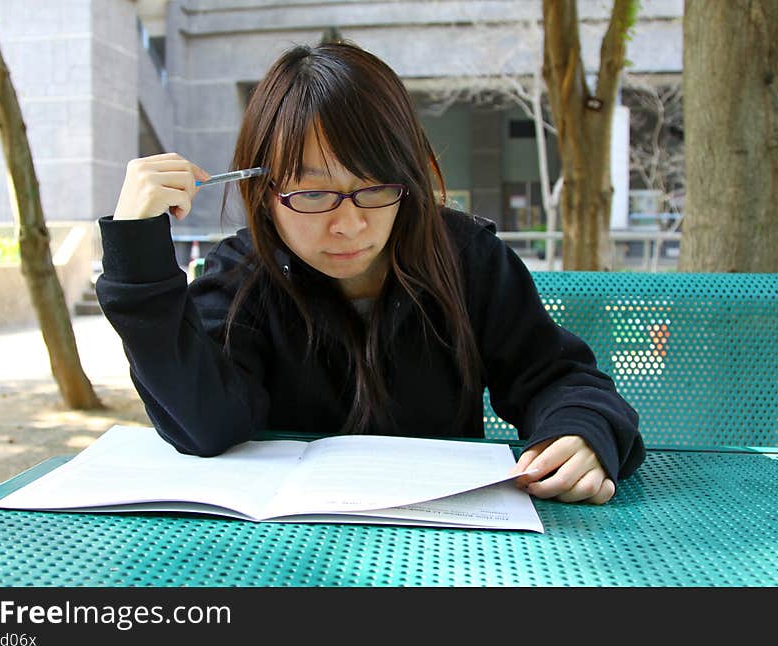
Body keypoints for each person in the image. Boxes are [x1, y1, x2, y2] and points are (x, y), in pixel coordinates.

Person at [96, 41, 644, 505]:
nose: (350, 225)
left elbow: (555, 377)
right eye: (312, 193)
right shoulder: (243, 277)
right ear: (263, 193)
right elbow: (205, 423)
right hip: (281, 557)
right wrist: (137, 261)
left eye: (376, 187)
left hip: (446, 543)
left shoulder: (465, 258)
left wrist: (583, 431)